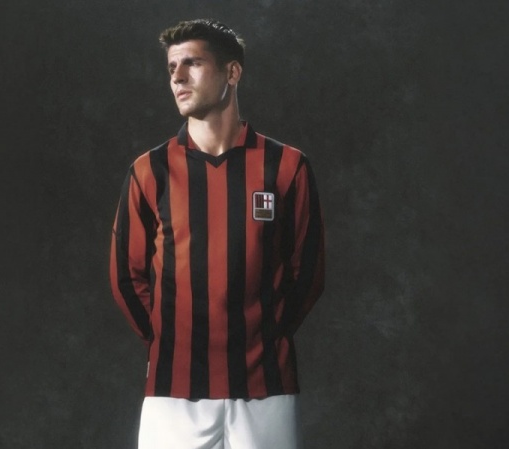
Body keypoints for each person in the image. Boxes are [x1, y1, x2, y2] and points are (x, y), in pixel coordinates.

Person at [109, 18, 325, 449]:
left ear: (232, 72)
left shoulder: (287, 167)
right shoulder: (149, 171)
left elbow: (308, 274)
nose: (177, 77)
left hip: (266, 388)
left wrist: (264, 335)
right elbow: (126, 277)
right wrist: (171, 340)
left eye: (192, 63)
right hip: (174, 394)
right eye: (172, 67)